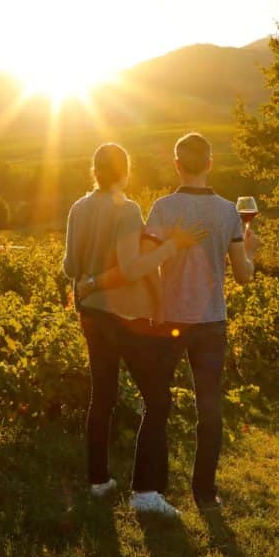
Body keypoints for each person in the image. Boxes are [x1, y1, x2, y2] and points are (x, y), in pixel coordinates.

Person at [81, 132, 261, 511]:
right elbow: (244, 276)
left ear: (177, 165)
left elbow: (147, 264)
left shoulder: (162, 208)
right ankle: (205, 495)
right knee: (209, 409)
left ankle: (147, 489)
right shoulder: (230, 211)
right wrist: (251, 248)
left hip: (167, 321)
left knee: (156, 404)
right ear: (211, 164)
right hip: (211, 321)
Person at [62, 142, 203, 517]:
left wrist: (90, 281)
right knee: (157, 400)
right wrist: (172, 246)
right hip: (125, 316)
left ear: (94, 171)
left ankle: (99, 482)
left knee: (102, 396)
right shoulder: (127, 210)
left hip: (90, 313)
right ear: (125, 171)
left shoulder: (78, 208)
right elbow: (131, 268)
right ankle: (145, 492)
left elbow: (69, 267)